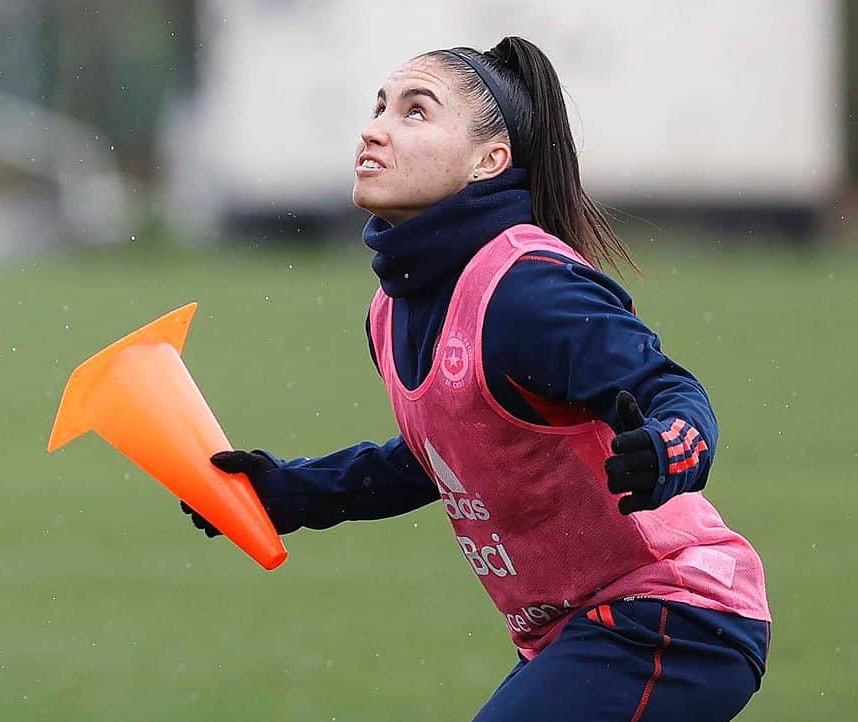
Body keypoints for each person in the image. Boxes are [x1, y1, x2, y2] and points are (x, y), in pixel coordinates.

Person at [182, 37, 771, 721]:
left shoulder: (529, 291)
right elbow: (448, 459)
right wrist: (293, 491)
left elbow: (675, 393)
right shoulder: (392, 313)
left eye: (415, 111)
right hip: (574, 632)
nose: (373, 128)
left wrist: (670, 450)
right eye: (378, 107)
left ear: (488, 162)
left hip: (676, 615)